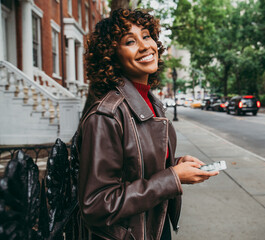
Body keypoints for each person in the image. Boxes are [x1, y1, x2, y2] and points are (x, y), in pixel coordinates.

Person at [77, 8, 219, 240]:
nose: (145, 46)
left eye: (146, 35)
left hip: (155, 225)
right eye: (130, 41)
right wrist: (172, 178)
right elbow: (96, 205)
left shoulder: (152, 102)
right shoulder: (106, 115)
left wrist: (176, 165)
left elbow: (135, 167)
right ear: (111, 55)